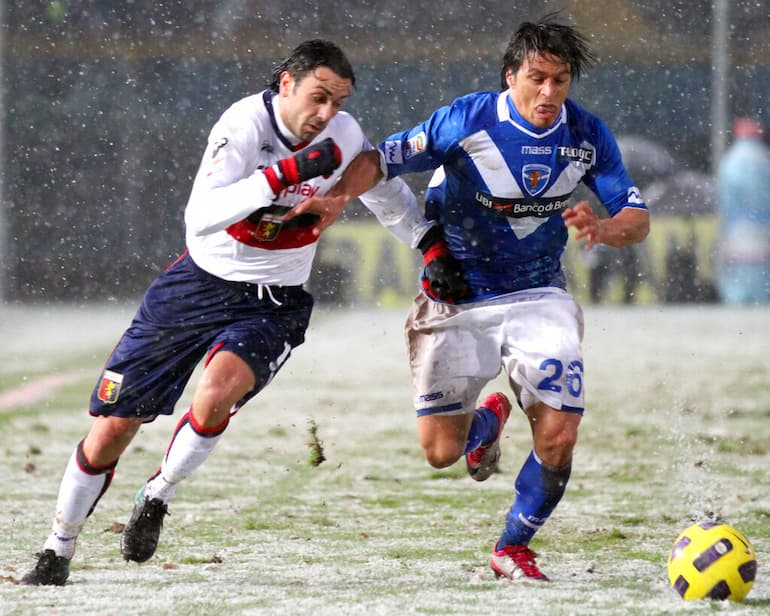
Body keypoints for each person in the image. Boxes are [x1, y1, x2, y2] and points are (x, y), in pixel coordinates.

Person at [20, 39, 441, 586]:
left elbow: (380, 189)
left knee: (216, 396)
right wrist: (281, 175)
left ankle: (158, 493)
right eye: (319, 97)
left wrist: (425, 241)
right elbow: (202, 216)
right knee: (112, 427)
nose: (327, 114)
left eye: (338, 102)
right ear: (285, 84)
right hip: (197, 285)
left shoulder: (341, 134)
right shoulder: (242, 126)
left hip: (272, 301)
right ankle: (58, 548)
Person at [287, 15, 650, 581]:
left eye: (561, 80)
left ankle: (513, 545)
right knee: (439, 453)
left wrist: (604, 229)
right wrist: (334, 201)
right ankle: (486, 422)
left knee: (559, 435)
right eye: (537, 78)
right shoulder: (466, 119)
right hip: (456, 295)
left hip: (538, 294)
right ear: (511, 76)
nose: (549, 93)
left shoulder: (586, 135)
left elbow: (637, 218)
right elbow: (379, 161)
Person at [715, 117, 770, 304]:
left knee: (737, 288)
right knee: (761, 285)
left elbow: (725, 198)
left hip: (736, 230)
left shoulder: (730, 160)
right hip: (764, 230)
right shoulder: (764, 159)